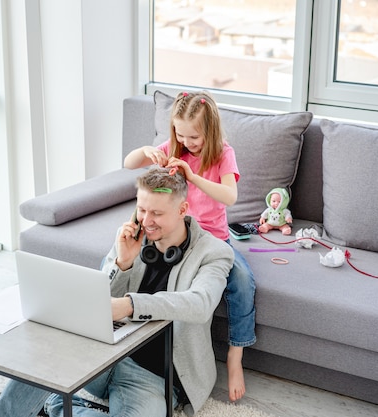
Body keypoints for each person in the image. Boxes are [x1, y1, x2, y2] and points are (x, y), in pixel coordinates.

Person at [0, 167, 233, 417]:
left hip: (153, 376)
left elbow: (200, 304)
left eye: (157, 213)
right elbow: (98, 298)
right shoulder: (129, 236)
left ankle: (56, 405)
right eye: (142, 209)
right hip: (105, 355)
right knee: (45, 355)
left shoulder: (213, 253)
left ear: (182, 210)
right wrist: (122, 263)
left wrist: (131, 305)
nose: (146, 221)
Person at [123, 90, 256, 402]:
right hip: (178, 235)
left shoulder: (224, 154)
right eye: (179, 135)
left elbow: (230, 196)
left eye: (193, 137)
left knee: (242, 280)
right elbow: (129, 163)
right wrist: (145, 150)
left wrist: (192, 177)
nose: (186, 143)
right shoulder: (174, 148)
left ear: (209, 131)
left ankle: (235, 357)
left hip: (211, 239)